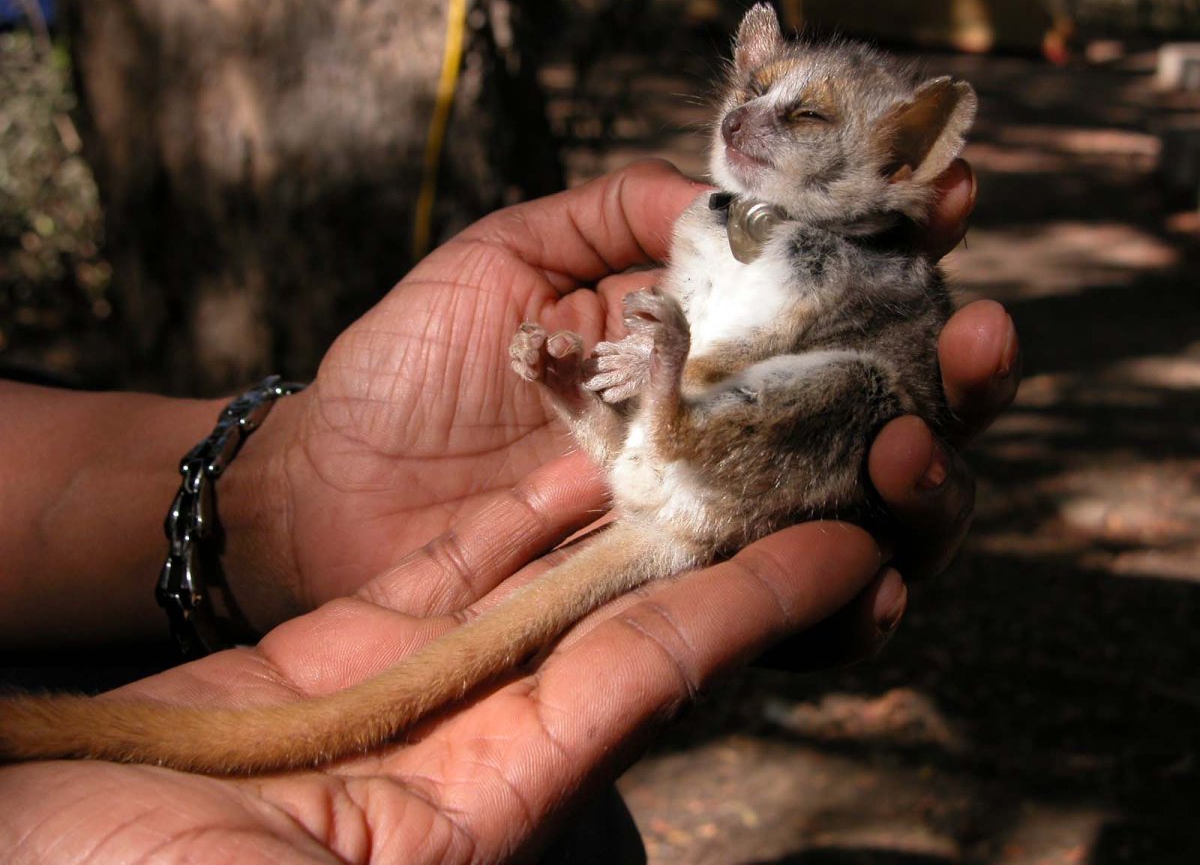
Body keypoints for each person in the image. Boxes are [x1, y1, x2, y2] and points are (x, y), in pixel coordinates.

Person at [0, 159, 1017, 861]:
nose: (760, 132)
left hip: (718, 482)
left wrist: (279, 492)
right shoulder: (727, 220)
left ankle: (639, 408)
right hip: (676, 475)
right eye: (753, 99)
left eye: (804, 121)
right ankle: (624, 408)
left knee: (847, 404)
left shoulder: (870, 262)